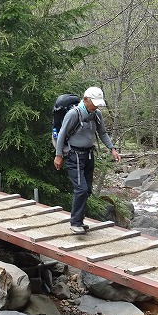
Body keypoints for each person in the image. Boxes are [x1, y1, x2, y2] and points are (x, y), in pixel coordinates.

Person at [53, 86, 121, 234]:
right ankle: (75, 223)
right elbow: (62, 134)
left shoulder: (96, 114)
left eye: (98, 103)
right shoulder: (73, 114)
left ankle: (80, 220)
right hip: (74, 156)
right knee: (81, 189)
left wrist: (112, 149)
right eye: (94, 103)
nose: (96, 106)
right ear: (85, 99)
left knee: (87, 190)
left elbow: (102, 133)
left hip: (89, 155)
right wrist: (58, 156)